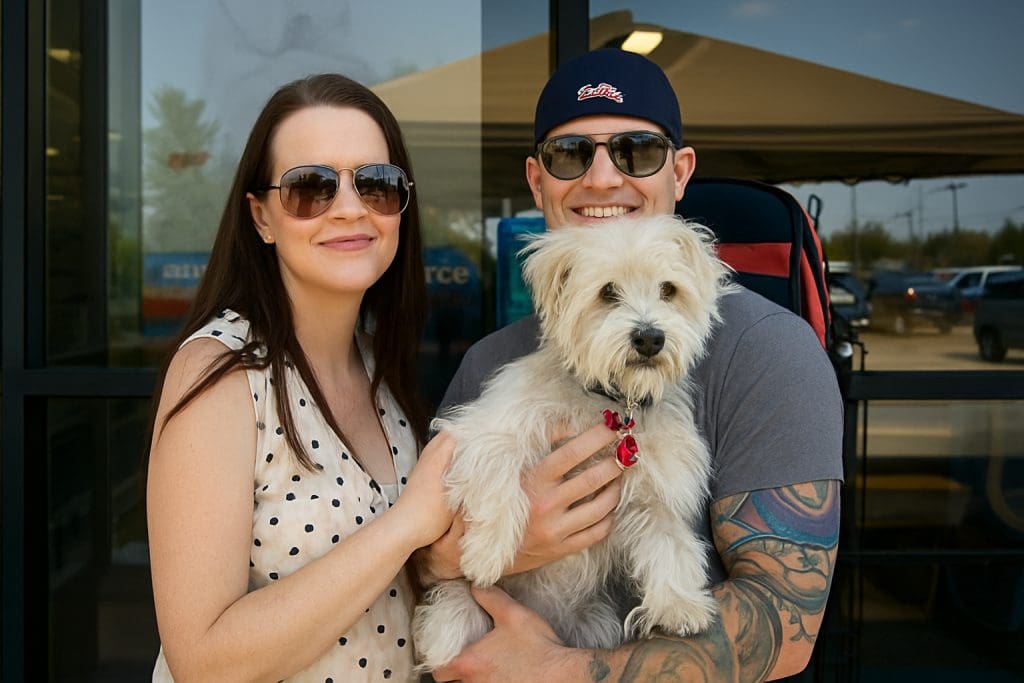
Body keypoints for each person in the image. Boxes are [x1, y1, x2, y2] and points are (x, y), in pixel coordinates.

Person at [425, 48, 844, 682]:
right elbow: (421, 555)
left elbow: (785, 621)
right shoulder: (493, 359)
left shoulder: (769, 353)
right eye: (572, 155)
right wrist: (470, 552)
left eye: (636, 151)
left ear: (679, 173)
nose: (600, 180)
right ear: (537, 181)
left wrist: (558, 671)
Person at [146, 73, 456, 682]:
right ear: (262, 217)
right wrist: (410, 524)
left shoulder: (381, 370)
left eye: (377, 184)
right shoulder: (220, 372)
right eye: (310, 187)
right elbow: (202, 662)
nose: (349, 207)